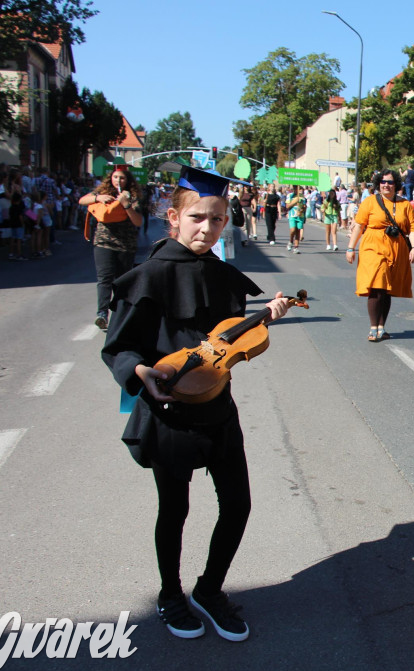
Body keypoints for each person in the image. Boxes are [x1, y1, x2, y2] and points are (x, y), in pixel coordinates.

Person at [101, 165, 291, 642]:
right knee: (175, 510)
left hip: (218, 410)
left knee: (238, 505)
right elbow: (119, 349)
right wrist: (139, 372)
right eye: (198, 218)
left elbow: (223, 343)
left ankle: (210, 589)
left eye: (218, 220)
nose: (207, 228)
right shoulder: (147, 277)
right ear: (174, 217)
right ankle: (170, 595)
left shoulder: (226, 276)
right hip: (169, 415)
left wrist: (265, 318)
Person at [345, 169, 414, 342]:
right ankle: (373, 327)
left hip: (397, 248)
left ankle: (381, 327)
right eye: (383, 182)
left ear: (396, 185)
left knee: (387, 289)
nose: (386, 185)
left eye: (390, 182)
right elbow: (359, 225)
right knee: (376, 284)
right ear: (378, 183)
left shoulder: (404, 204)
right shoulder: (370, 202)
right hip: (373, 246)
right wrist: (351, 248)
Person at [79, 167, 144, 330]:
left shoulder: (133, 197)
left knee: (121, 281)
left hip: (125, 244)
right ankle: (102, 314)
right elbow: (82, 200)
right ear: (111, 179)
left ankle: (120, 314)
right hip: (103, 242)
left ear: (127, 181)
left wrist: (126, 205)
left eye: (122, 178)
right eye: (115, 177)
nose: (118, 181)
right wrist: (98, 197)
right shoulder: (103, 192)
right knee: (104, 279)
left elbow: (138, 222)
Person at [285, 186, 305, 254]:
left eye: (298, 188)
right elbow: (287, 206)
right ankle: (290, 241)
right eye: (295, 188)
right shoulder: (290, 195)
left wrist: (302, 210)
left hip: (300, 216)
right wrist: (295, 201)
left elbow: (304, 206)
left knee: (298, 231)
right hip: (292, 215)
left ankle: (296, 247)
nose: (296, 190)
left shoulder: (302, 196)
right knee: (292, 230)